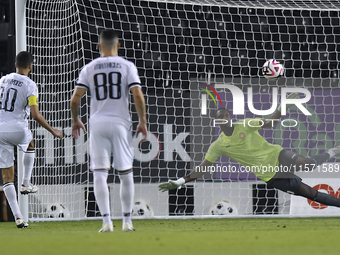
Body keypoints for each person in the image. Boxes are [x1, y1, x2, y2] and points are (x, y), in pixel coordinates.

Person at [159, 95, 340, 209]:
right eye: (219, 117)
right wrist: (180, 181)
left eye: (225, 115)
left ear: (229, 117)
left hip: (277, 154)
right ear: (216, 122)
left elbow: (269, 123)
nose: (223, 118)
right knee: (309, 193)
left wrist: (282, 106)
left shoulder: (245, 124)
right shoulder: (218, 145)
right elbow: (203, 168)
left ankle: (334, 151)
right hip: (270, 175)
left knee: (306, 163)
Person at [71, 29, 147, 233]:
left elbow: (75, 99)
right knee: (125, 172)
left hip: (97, 123)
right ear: (118, 45)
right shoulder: (127, 66)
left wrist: (76, 119)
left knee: (99, 173)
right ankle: (127, 221)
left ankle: (106, 222)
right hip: (120, 123)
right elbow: (138, 96)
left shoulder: (89, 68)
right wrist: (143, 121)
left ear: (99, 47)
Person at [0, 51, 63, 228]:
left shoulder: (3, 80)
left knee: (7, 178)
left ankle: (19, 218)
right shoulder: (30, 85)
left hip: (1, 129)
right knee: (30, 144)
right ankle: (26, 183)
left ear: (14, 64)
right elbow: (35, 114)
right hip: (18, 128)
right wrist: (52, 130)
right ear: (31, 66)